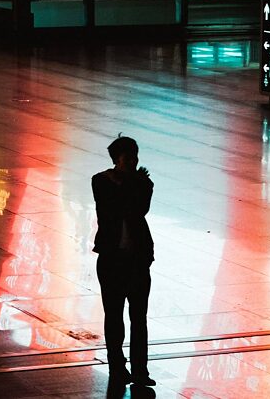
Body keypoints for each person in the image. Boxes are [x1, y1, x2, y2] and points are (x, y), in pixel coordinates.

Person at [92, 135, 156, 387]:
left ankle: (139, 369)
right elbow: (114, 209)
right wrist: (130, 184)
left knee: (138, 317)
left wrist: (128, 183)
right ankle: (118, 366)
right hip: (112, 259)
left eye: (135, 156)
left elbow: (137, 209)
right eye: (128, 157)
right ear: (116, 159)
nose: (133, 161)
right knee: (115, 315)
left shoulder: (143, 183)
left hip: (136, 259)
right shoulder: (101, 181)